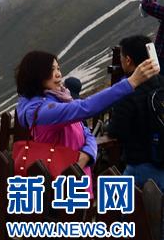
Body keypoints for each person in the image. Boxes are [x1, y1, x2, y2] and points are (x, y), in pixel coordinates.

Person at [16, 50, 159, 180]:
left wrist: (87, 154)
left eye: (58, 68)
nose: (58, 74)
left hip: (78, 177)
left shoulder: (61, 99)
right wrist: (131, 82)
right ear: (36, 75)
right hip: (62, 184)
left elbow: (85, 132)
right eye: (51, 70)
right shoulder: (44, 111)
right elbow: (86, 107)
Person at [108, 35, 164, 187]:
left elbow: (117, 130)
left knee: (117, 205)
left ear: (128, 60)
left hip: (141, 167)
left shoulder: (126, 90)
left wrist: (108, 126)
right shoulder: (161, 81)